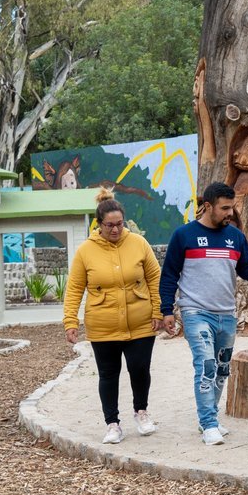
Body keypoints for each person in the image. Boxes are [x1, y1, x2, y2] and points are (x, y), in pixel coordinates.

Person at [159, 182, 248, 446]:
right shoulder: (183, 235)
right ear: (208, 206)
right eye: (224, 208)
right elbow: (169, 276)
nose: (230, 213)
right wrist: (167, 310)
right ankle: (209, 423)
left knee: (222, 369)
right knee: (206, 365)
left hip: (227, 314)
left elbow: (246, 270)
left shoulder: (236, 237)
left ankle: (208, 417)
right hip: (195, 311)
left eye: (231, 207)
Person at [63, 188, 162, 444]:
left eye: (120, 224)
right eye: (110, 225)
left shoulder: (138, 243)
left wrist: (158, 310)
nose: (116, 229)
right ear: (99, 224)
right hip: (103, 325)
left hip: (140, 321)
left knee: (139, 368)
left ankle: (141, 411)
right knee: (108, 374)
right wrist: (71, 321)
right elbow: (74, 288)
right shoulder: (85, 251)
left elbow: (154, 277)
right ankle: (112, 424)